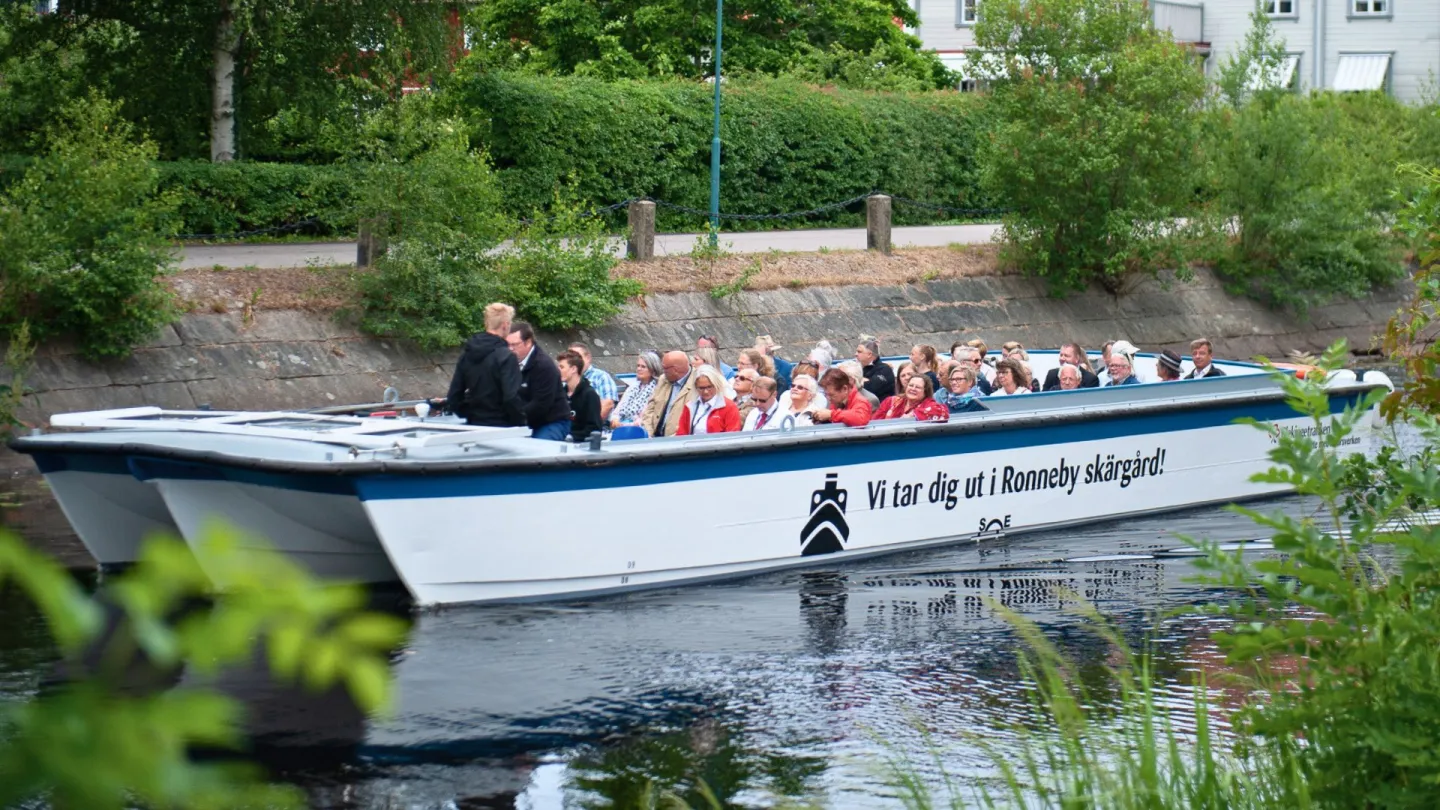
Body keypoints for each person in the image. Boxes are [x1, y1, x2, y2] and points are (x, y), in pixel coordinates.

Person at [443, 302, 525, 427]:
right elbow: (511, 398)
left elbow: (454, 396)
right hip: (501, 426)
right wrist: (520, 422)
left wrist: (468, 413)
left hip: (474, 425)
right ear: (505, 325)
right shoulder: (507, 357)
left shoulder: (467, 354)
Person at [506, 321, 572, 440]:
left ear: (528, 342)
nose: (510, 349)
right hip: (523, 419)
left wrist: (511, 418)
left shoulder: (544, 366)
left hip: (551, 421)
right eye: (507, 344)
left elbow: (540, 405)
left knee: (537, 453)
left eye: (515, 345)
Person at [640, 350, 697, 438]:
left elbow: (693, 421)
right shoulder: (663, 379)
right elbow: (650, 409)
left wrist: (670, 441)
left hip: (678, 440)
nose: (663, 371)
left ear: (675, 370)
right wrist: (648, 434)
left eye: (665, 368)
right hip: (654, 437)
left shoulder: (698, 382)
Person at [676, 364, 741, 435]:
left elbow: (732, 435)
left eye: (709, 387)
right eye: (701, 388)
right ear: (696, 387)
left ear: (716, 385)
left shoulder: (729, 407)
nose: (705, 391)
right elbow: (681, 434)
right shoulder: (690, 406)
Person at [556, 350, 603, 442]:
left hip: (579, 447)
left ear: (573, 369)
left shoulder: (590, 395)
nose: (558, 370)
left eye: (561, 367)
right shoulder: (560, 394)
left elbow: (594, 428)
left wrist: (572, 437)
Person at [610, 351, 662, 427]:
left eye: (643, 367)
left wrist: (624, 425)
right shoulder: (632, 387)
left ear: (653, 370)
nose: (639, 369)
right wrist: (615, 419)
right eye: (638, 366)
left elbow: (643, 419)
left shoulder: (656, 390)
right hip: (620, 427)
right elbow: (617, 411)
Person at [568, 342, 617, 422]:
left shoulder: (601, 377)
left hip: (593, 428)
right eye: (570, 358)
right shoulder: (565, 379)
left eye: (578, 357)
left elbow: (608, 405)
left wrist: (589, 425)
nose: (574, 361)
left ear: (588, 358)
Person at [876, 373, 950, 422]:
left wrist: (912, 415)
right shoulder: (890, 401)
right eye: (911, 385)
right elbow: (875, 422)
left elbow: (943, 413)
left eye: (918, 387)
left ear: (925, 391)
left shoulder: (928, 404)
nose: (913, 389)